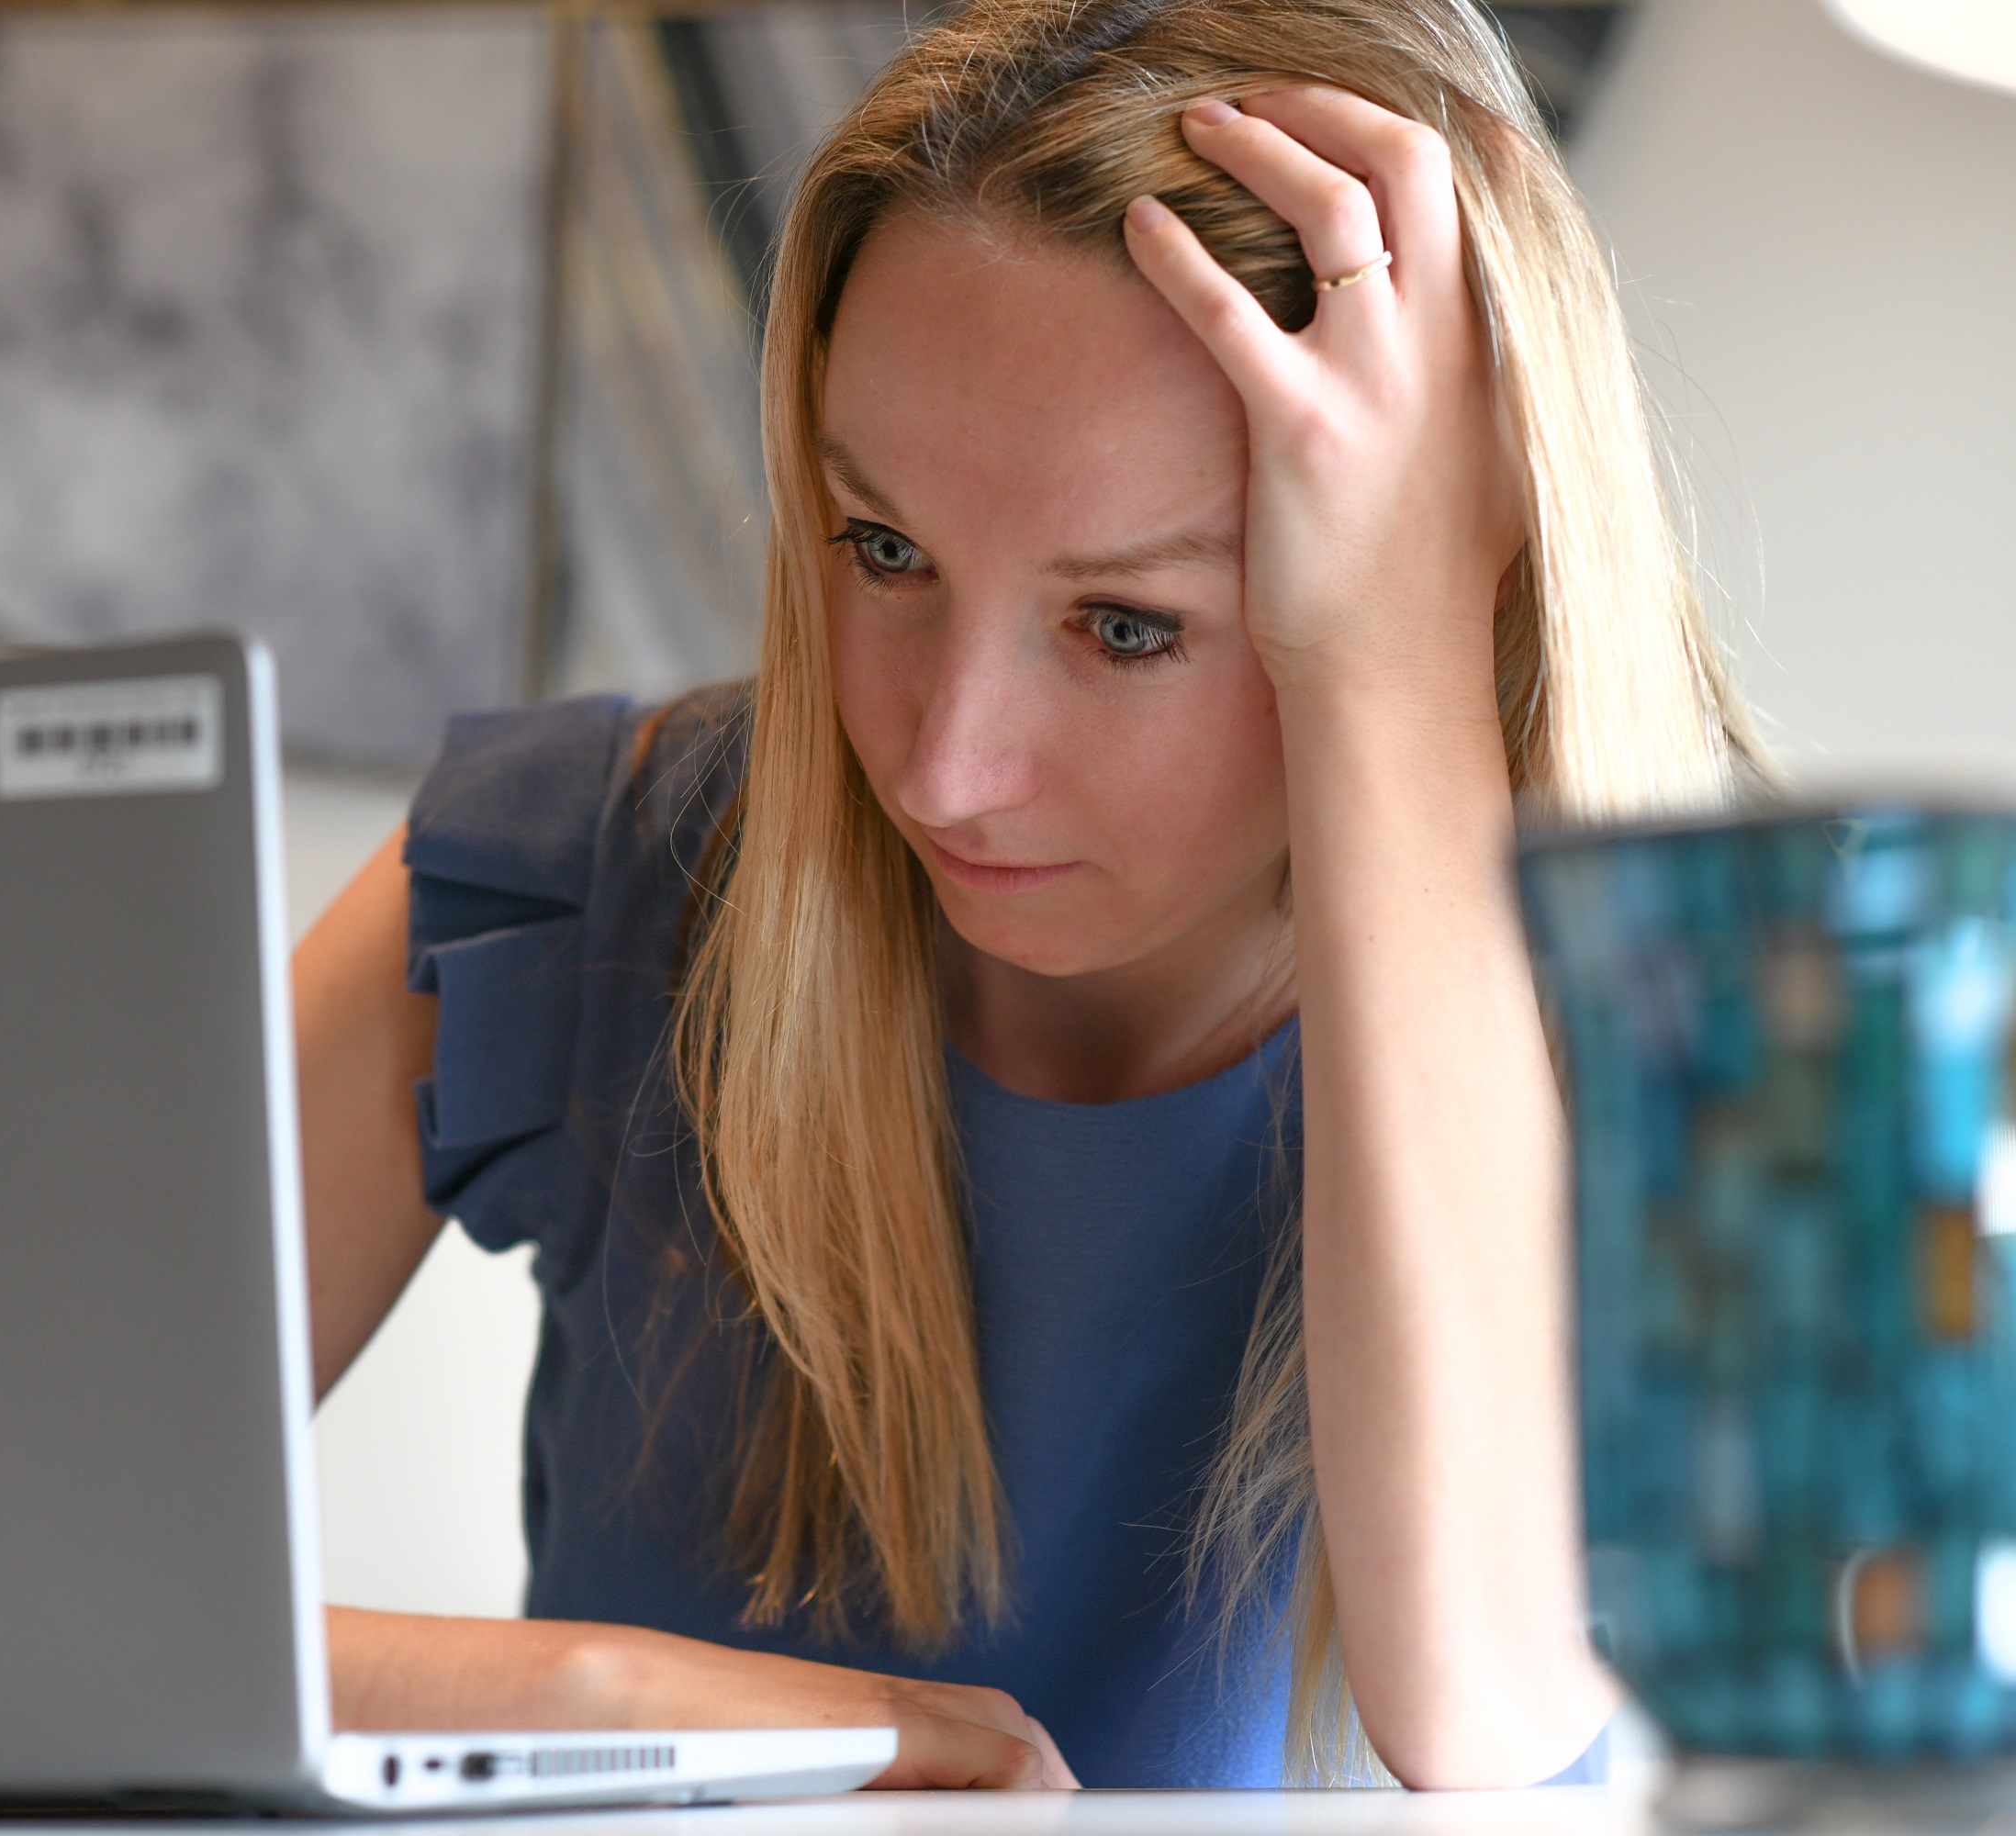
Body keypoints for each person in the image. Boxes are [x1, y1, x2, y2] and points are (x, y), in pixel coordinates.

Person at [295, 0, 1764, 1792]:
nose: (942, 765)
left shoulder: (1745, 995)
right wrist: (620, 1705)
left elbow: (1480, 1700)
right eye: (884, 549)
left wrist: (1390, 670)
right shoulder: (577, 871)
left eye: (1127, 623)